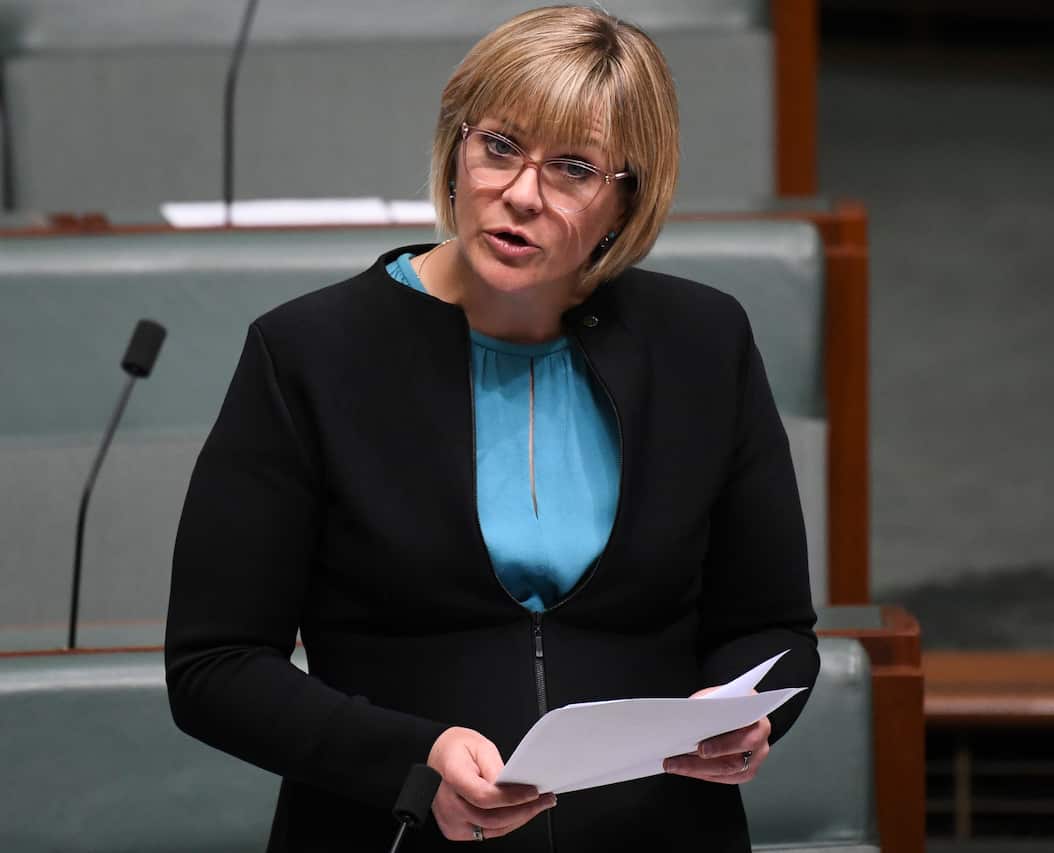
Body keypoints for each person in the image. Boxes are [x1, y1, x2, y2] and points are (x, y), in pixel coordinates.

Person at [165, 6, 818, 852]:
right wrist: (413, 757)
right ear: (456, 147)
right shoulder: (309, 355)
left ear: (628, 197)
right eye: (499, 146)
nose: (520, 194)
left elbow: (774, 629)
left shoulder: (701, 343)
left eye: (574, 168)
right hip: (393, 833)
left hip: (656, 831)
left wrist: (742, 715)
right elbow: (214, 667)